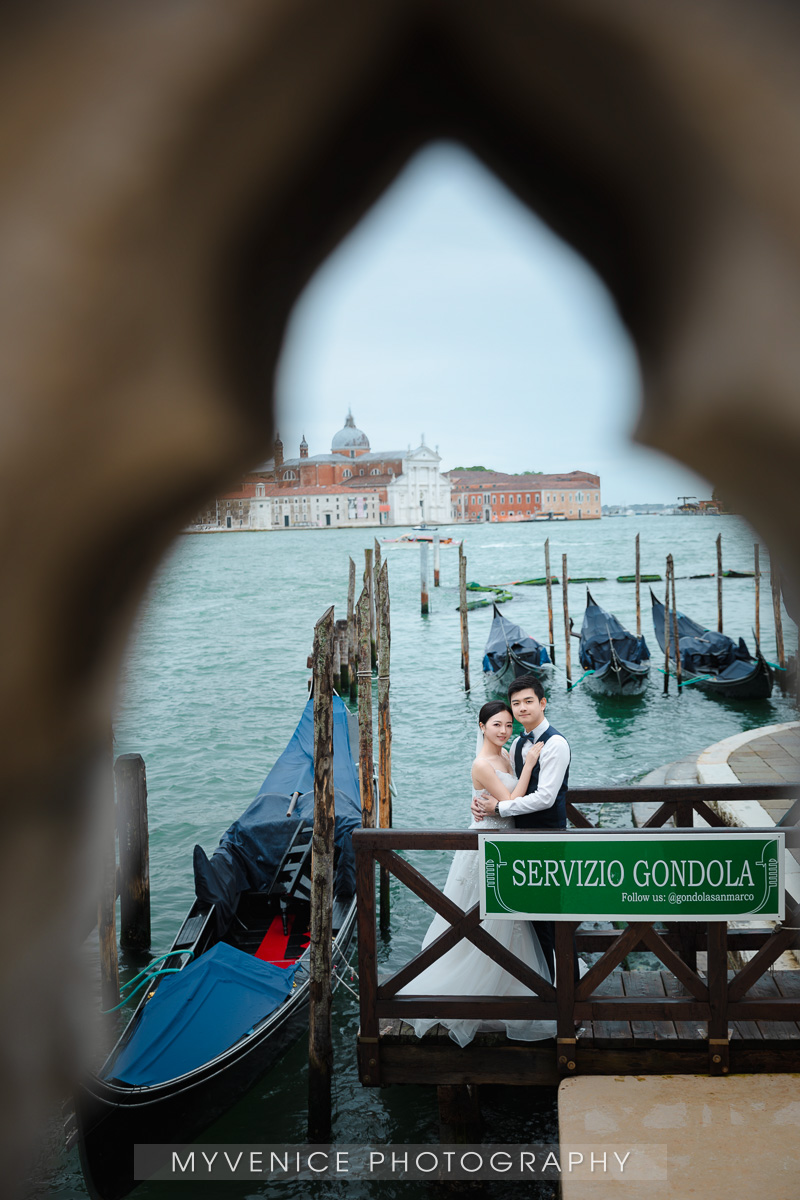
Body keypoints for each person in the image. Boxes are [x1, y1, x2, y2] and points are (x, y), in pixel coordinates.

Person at [398, 700, 556, 1047]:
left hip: (508, 845)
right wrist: (530, 765)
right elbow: (511, 800)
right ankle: (476, 988)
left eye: (508, 725)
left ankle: (514, 981)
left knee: (509, 922)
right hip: (486, 848)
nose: (504, 731)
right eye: (496, 724)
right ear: (481, 726)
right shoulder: (482, 764)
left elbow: (506, 803)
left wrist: (519, 768)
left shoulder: (507, 754)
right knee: (480, 918)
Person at [472, 675, 573, 983]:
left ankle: (566, 985)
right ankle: (540, 982)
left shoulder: (556, 744)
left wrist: (499, 809)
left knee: (552, 913)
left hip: (547, 838)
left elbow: (545, 797)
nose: (522, 708)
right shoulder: (515, 744)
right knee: (525, 915)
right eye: (516, 703)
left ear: (543, 703)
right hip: (514, 840)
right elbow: (511, 788)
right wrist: (480, 800)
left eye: (528, 701)